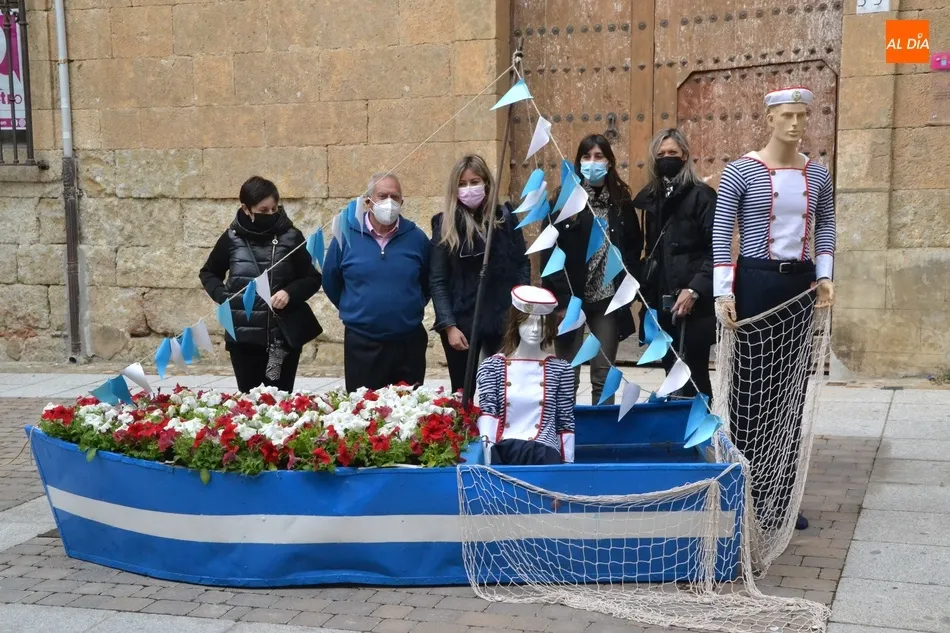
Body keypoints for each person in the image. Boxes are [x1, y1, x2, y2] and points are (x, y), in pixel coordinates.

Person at [712, 87, 836, 533]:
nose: (796, 123)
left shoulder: (817, 174)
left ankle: (781, 497)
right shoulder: (741, 171)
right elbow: (722, 231)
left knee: (790, 391)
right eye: (787, 115)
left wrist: (824, 274)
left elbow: (826, 225)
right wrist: (723, 293)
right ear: (769, 119)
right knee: (750, 391)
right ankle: (749, 492)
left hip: (799, 286)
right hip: (756, 281)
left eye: (802, 115)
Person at [539, 134, 643, 405]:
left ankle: (602, 427)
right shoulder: (564, 202)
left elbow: (634, 245)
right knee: (566, 375)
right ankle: (565, 427)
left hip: (606, 300)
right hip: (570, 300)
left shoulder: (621, 203)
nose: (592, 162)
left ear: (609, 162)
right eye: (586, 157)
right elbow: (549, 252)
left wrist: (627, 285)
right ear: (578, 162)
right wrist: (561, 301)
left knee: (603, 375)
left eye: (598, 156)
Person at [199, 176, 323, 393]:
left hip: (280, 339)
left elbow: (312, 278)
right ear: (246, 209)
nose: (271, 214)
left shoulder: (291, 237)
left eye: (274, 209)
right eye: (263, 210)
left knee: (279, 400)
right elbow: (209, 272)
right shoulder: (231, 238)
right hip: (242, 338)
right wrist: (224, 296)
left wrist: (289, 292)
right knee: (249, 400)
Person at [429, 155, 531, 396]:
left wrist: (519, 311)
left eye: (474, 182)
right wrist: (449, 325)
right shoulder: (444, 224)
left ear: (486, 182)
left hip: (501, 317)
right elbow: (437, 280)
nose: (469, 189)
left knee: (502, 389)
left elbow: (522, 264)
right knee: (462, 392)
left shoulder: (505, 218)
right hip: (462, 320)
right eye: (462, 184)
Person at [322, 172, 431, 393]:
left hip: (408, 342)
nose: (389, 202)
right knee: (364, 408)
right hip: (362, 342)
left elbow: (427, 282)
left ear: (402, 202)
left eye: (395, 197)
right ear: (368, 201)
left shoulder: (416, 238)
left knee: (409, 408)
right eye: (382, 196)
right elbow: (331, 280)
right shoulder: (346, 236)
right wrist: (356, 308)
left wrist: (410, 307)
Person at [633, 128, 717, 400]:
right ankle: (676, 424)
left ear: (685, 155)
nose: (666, 158)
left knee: (695, 372)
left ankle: (701, 425)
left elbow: (716, 250)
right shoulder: (652, 198)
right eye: (661, 154)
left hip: (694, 300)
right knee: (671, 368)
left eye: (672, 152)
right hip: (662, 298)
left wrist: (694, 289)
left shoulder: (702, 195)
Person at [474, 285, 575, 466]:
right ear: (516, 323)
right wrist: (487, 460)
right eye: (528, 322)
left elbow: (565, 422)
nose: (535, 329)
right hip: (503, 451)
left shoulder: (561, 370)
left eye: (542, 323)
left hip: (544, 453)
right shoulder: (492, 367)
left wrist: (568, 465)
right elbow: (488, 413)